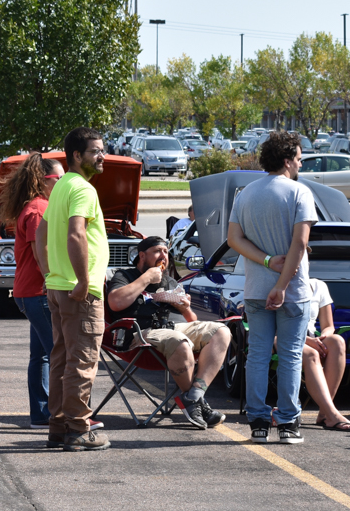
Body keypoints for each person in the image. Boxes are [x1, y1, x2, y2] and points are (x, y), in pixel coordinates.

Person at [227, 131, 317, 445]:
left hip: (255, 288)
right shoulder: (299, 192)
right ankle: (289, 423)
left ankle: (258, 422)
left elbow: (234, 240)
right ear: (287, 160)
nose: (301, 164)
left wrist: (266, 261)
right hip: (292, 290)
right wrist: (281, 285)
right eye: (299, 159)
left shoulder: (245, 193)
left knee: (257, 356)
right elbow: (300, 243)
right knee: (290, 356)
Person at [35, 128, 111, 452]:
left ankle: (59, 427)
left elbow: (41, 233)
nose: (102, 156)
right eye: (95, 151)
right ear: (77, 156)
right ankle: (79, 429)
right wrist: (82, 280)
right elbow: (76, 234)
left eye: (102, 150)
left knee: (61, 360)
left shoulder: (62, 185)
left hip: (58, 286)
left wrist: (48, 273)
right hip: (80, 292)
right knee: (82, 362)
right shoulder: (81, 188)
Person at [106, 236, 230, 429]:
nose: (163, 255)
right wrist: (147, 278)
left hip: (174, 328)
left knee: (220, 331)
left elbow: (192, 322)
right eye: (157, 251)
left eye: (165, 252)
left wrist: (185, 308)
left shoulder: (170, 281)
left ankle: (194, 396)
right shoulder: (125, 275)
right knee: (179, 340)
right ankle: (197, 406)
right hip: (142, 333)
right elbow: (115, 303)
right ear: (142, 255)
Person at [0, 153, 65, 429]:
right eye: (59, 179)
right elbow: (42, 252)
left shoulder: (37, 206)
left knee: (42, 356)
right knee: (60, 355)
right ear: (44, 180)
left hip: (30, 292)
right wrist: (52, 282)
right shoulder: (39, 210)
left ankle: (41, 414)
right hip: (39, 293)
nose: (64, 183)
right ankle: (62, 415)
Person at [303, 278, 350, 432]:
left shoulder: (318, 285)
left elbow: (328, 326)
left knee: (337, 341)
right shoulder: (276, 282)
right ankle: (332, 414)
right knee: (311, 353)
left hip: (311, 337)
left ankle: (324, 413)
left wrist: (322, 339)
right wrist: (308, 341)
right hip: (281, 337)